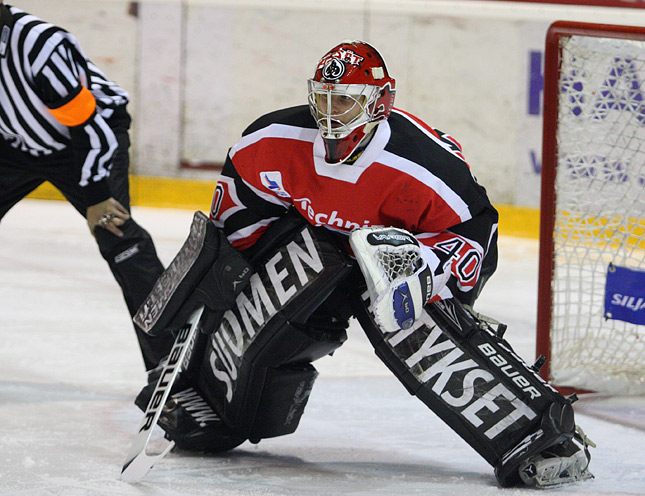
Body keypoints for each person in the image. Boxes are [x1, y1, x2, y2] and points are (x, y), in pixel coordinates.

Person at [134, 40, 594, 488]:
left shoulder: (424, 166)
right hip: (319, 248)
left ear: (379, 103)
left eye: (347, 103)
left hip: (393, 261)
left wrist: (425, 271)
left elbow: (476, 236)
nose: (331, 116)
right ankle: (217, 401)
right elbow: (240, 218)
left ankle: (537, 431)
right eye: (324, 99)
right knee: (271, 281)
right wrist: (227, 272)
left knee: (404, 304)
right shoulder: (271, 142)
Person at [0, 3, 174, 370]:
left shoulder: (36, 44)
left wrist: (96, 195)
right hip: (17, 145)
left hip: (88, 142)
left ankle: (173, 363)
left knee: (117, 236)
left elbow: (90, 125)